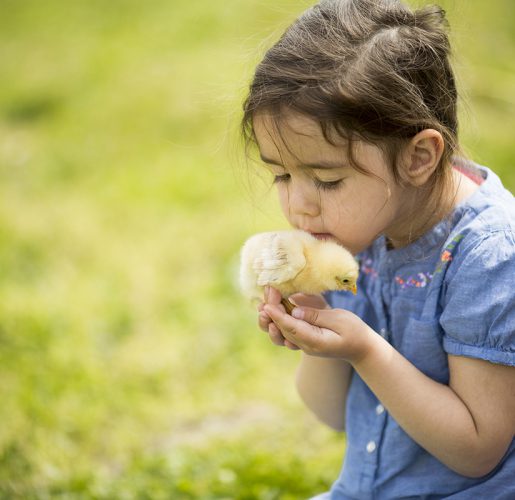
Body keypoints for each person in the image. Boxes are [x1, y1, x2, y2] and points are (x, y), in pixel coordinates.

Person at [240, 0, 515, 498]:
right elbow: (331, 416)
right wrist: (316, 333)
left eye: (326, 180)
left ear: (419, 157)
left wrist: (365, 350)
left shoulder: (489, 256)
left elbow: (477, 450)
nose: (298, 206)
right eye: (281, 174)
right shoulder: (353, 239)